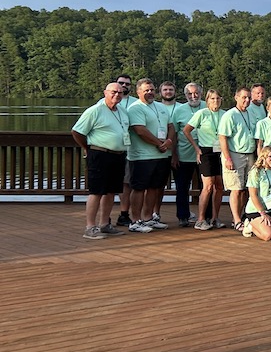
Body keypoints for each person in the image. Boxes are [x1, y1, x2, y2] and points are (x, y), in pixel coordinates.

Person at [72, 82, 130, 239]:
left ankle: (104, 224)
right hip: (99, 154)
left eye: (120, 92)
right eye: (113, 92)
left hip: (118, 155)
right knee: (96, 191)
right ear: (105, 93)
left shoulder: (122, 111)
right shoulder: (95, 110)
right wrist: (87, 147)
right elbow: (77, 131)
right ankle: (90, 227)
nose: (117, 95)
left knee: (111, 191)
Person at [124, 78, 174, 232]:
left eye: (152, 89)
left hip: (161, 156)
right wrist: (159, 144)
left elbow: (170, 126)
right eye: (146, 90)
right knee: (139, 188)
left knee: (154, 187)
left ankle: (148, 218)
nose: (150, 92)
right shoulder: (135, 108)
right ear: (138, 92)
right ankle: (135, 221)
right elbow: (140, 130)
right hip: (142, 157)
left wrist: (169, 141)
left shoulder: (161, 107)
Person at [218, 87, 257, 232]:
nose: (247, 100)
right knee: (236, 188)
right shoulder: (230, 115)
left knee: (247, 188)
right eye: (244, 97)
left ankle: (243, 216)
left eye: (249, 98)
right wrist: (228, 158)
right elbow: (222, 137)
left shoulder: (251, 114)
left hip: (250, 154)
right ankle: (236, 220)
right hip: (235, 154)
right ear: (236, 97)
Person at [185, 89, 225, 230]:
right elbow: (186, 130)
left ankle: (214, 218)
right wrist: (196, 148)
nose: (215, 101)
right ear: (207, 100)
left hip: (221, 151)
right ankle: (200, 219)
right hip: (206, 152)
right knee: (208, 186)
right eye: (212, 98)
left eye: (218, 98)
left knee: (219, 186)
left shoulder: (225, 114)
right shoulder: (201, 113)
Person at [164, 81, 201, 226]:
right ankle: (183, 216)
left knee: (206, 187)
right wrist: (174, 155)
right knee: (182, 187)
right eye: (190, 94)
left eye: (196, 93)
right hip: (184, 154)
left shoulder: (208, 106)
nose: (193, 96)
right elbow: (173, 134)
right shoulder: (179, 110)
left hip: (203, 155)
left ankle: (206, 216)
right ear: (185, 95)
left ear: (201, 93)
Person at [244, 146, 271, 241]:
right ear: (264, 158)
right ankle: (249, 225)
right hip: (256, 210)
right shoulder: (255, 171)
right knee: (269, 235)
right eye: (270, 157)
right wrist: (262, 213)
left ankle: (268, 225)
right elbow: (253, 195)